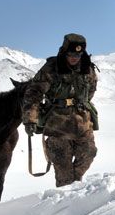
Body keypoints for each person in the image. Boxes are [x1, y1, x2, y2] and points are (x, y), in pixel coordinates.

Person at [22, 34, 98, 187]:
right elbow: (33, 93)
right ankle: (65, 201)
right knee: (63, 171)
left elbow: (91, 90)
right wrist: (30, 119)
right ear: (64, 52)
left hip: (82, 122)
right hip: (57, 124)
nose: (75, 58)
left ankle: (75, 187)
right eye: (71, 54)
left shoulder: (87, 68)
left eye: (78, 54)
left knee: (89, 152)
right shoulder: (51, 68)